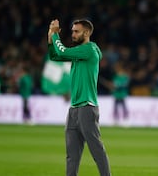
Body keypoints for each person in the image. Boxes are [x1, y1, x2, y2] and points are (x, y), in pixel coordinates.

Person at [47, 18, 111, 176]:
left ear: (87, 32)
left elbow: (62, 51)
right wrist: (50, 38)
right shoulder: (79, 53)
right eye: (72, 31)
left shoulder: (89, 49)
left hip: (87, 107)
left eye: (76, 31)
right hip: (74, 108)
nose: (73, 34)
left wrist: (55, 34)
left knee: (96, 150)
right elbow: (55, 56)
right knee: (72, 155)